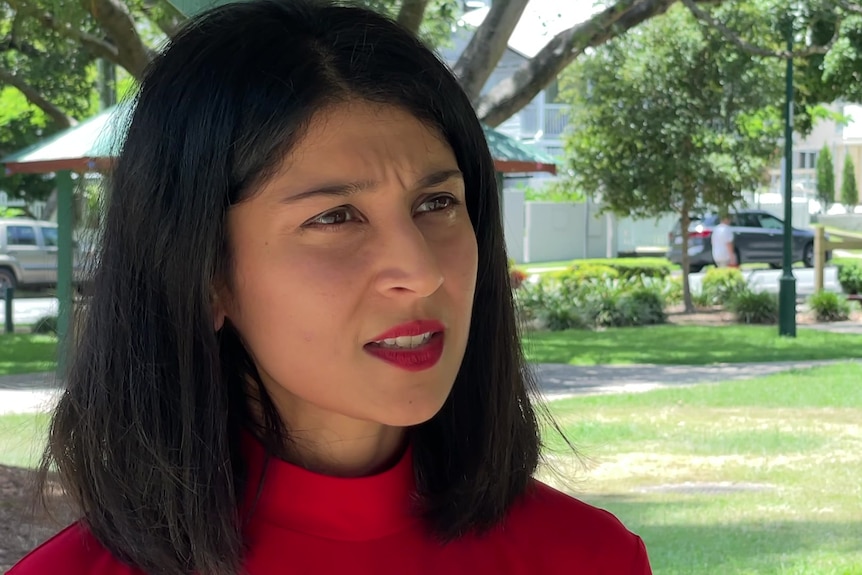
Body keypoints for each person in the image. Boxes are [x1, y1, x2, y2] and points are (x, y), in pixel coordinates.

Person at [9, 1, 651, 574]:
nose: (421, 270)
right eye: (334, 217)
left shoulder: (590, 558)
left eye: (436, 203)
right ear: (205, 276)